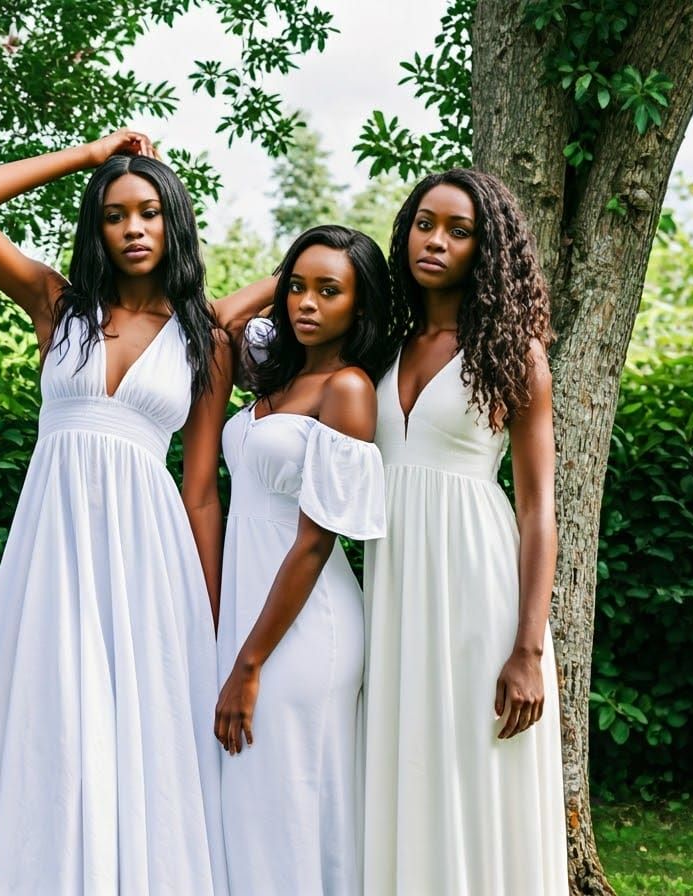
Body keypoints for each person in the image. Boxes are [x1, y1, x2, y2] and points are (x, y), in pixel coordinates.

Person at [0, 129, 269, 894]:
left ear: (172, 220)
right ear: (98, 228)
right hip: (53, 553)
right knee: (53, 723)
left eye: (149, 211)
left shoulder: (201, 342)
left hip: (150, 563)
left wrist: (212, 624)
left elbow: (201, 491)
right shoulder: (58, 306)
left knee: (144, 734)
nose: (133, 228)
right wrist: (87, 156)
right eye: (115, 214)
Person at [362, 168, 568, 894]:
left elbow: (539, 507)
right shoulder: (379, 343)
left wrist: (529, 648)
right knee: (402, 759)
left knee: (476, 764)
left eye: (458, 230)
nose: (436, 241)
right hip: (391, 587)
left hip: (476, 588)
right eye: (424, 223)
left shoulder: (514, 356)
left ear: (487, 250)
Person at [213, 224, 393, 894]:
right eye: (296, 286)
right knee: (255, 808)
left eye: (329, 291)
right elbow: (223, 317)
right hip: (253, 615)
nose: (304, 303)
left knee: (292, 806)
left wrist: (249, 665)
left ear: (361, 306)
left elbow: (316, 542)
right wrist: (286, 270)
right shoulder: (277, 373)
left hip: (302, 627)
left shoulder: (345, 391)